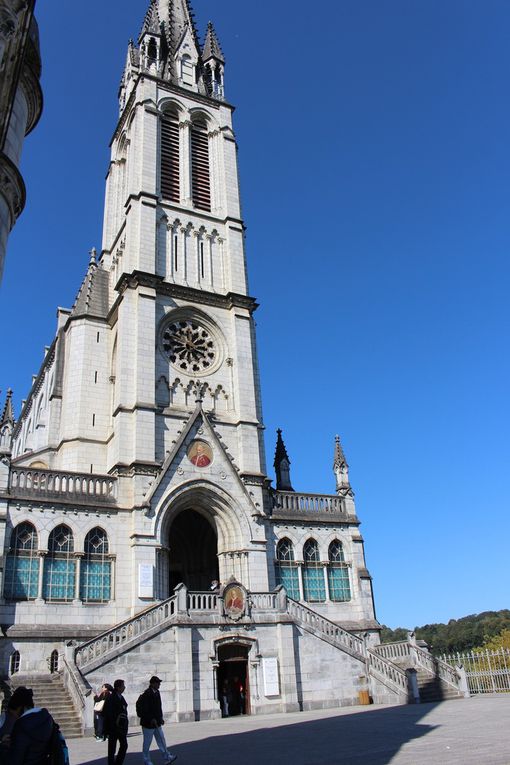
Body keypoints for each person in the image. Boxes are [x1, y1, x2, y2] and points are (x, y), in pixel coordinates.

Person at [5, 686, 53, 765]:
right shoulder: (46, 718)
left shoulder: (21, 726)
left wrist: (4, 746)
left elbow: (15, 760)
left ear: (19, 708)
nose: (13, 717)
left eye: (12, 713)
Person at [136, 676, 177, 764]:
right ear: (152, 684)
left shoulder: (157, 692)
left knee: (162, 740)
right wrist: (151, 719)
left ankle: (167, 756)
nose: (159, 684)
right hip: (148, 724)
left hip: (157, 722)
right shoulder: (147, 694)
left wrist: (160, 718)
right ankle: (147, 760)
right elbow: (145, 709)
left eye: (159, 683)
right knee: (147, 743)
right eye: (157, 683)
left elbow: (158, 708)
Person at [103, 679, 129, 765]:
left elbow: (124, 709)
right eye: (123, 686)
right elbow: (107, 713)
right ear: (118, 687)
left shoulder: (121, 697)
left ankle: (118, 763)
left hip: (121, 727)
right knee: (112, 749)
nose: (124, 687)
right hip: (113, 727)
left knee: (124, 745)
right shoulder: (111, 698)